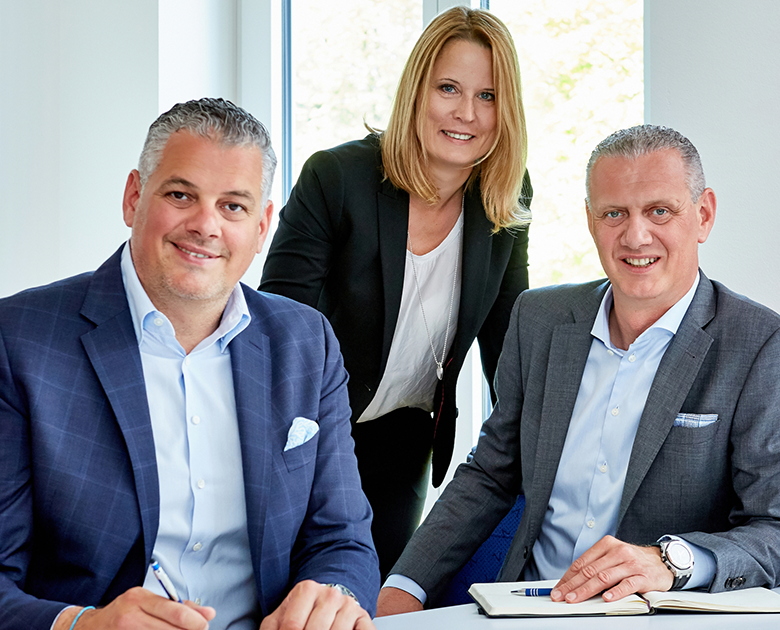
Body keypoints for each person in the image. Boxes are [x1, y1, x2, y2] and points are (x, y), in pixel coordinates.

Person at [0, 98, 379, 630]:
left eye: (233, 206)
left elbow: (342, 538)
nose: (206, 225)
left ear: (262, 226)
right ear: (134, 197)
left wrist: (333, 596)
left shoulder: (305, 342)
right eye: (181, 195)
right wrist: (82, 624)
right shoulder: (19, 340)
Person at [376, 124, 780, 615]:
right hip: (522, 608)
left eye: (660, 211)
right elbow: (490, 474)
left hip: (653, 615)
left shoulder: (759, 344)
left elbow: (773, 528)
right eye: (614, 213)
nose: (636, 235)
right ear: (591, 220)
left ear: (704, 215)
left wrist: (671, 560)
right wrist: (405, 584)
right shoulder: (539, 319)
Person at [260, 6, 532, 578]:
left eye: (487, 96)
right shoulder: (337, 178)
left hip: (407, 435)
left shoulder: (505, 195)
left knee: (380, 592)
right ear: (417, 91)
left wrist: (538, 450)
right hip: (312, 430)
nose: (466, 113)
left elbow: (509, 345)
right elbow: (278, 329)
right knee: (299, 590)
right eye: (449, 88)